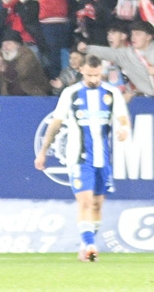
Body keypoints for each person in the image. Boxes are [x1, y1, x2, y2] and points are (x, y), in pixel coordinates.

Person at [33, 54, 131, 262]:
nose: (93, 79)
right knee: (85, 202)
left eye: (97, 75)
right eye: (89, 75)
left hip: (103, 158)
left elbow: (123, 119)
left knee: (97, 205)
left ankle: (85, 244)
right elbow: (55, 124)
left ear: (101, 72)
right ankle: (90, 246)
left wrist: (123, 130)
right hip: (78, 158)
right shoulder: (71, 93)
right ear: (81, 72)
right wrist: (43, 152)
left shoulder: (112, 93)